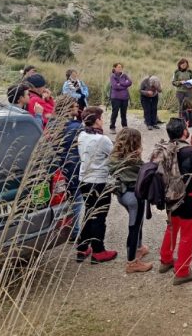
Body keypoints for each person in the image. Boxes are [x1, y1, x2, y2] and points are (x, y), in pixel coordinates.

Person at [159, 118, 192, 285]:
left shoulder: (165, 149)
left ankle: (166, 260)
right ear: (184, 132)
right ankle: (182, 271)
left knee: (171, 227)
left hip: (169, 197)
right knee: (187, 234)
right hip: (188, 198)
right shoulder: (190, 152)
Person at [76, 107, 118, 264]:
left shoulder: (81, 135)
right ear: (97, 120)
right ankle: (98, 250)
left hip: (84, 180)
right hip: (99, 181)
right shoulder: (102, 140)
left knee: (89, 212)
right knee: (99, 216)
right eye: (101, 118)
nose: (103, 120)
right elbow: (114, 155)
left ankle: (82, 246)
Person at [109, 128, 152, 273]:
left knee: (137, 223)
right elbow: (146, 170)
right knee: (134, 227)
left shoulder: (114, 158)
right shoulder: (134, 161)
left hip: (122, 195)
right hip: (134, 197)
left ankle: (139, 248)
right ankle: (132, 262)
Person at [53, 96, 84, 241]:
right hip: (73, 166)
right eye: (75, 106)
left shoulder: (53, 124)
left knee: (64, 199)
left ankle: (66, 229)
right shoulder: (76, 127)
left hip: (58, 166)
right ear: (68, 109)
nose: (77, 108)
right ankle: (74, 232)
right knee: (76, 199)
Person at [109, 63, 132, 133]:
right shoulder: (112, 76)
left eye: (121, 67)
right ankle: (112, 127)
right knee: (115, 112)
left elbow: (130, 82)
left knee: (124, 113)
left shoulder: (124, 75)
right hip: (116, 98)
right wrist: (125, 84)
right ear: (115, 68)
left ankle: (124, 126)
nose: (120, 68)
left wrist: (120, 83)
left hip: (125, 98)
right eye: (118, 67)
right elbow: (115, 86)